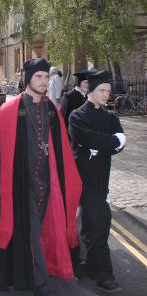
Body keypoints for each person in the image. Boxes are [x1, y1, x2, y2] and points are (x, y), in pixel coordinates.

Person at [0, 58, 82, 295]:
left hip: (46, 183)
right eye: (38, 77)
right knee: (29, 230)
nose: (43, 82)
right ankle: (39, 281)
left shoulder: (51, 109)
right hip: (20, 184)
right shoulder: (10, 110)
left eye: (45, 77)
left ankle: (28, 270)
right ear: (28, 79)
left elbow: (61, 147)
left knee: (41, 228)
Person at [69, 70, 126, 292]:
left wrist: (100, 146)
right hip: (82, 177)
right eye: (102, 90)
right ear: (90, 90)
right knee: (100, 218)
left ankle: (87, 263)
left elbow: (120, 143)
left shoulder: (111, 118)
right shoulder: (76, 116)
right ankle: (104, 273)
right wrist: (107, 143)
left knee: (90, 222)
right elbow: (89, 138)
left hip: (102, 176)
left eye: (108, 91)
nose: (106, 95)